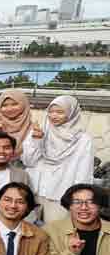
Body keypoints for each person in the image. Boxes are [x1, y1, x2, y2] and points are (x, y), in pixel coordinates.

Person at [22, 95, 94, 223]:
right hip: (35, 191)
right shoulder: (40, 131)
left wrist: (78, 199)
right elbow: (28, 161)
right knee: (28, 233)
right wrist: (36, 140)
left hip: (61, 195)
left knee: (55, 234)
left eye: (60, 112)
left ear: (71, 113)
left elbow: (84, 173)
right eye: (50, 111)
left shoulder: (83, 140)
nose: (53, 116)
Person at [0, 89, 33, 166]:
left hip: (18, 173)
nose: (9, 109)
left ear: (23, 104)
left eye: (14, 104)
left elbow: (31, 159)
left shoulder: (32, 128)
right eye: (4, 105)